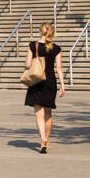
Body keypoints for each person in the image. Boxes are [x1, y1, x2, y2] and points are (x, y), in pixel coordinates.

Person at [25, 22, 65, 153]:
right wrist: (62, 85)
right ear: (52, 32)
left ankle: (43, 139)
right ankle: (47, 139)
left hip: (37, 80)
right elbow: (59, 68)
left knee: (39, 113)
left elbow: (27, 64)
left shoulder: (33, 45)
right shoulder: (57, 48)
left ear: (40, 31)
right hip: (50, 82)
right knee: (48, 112)